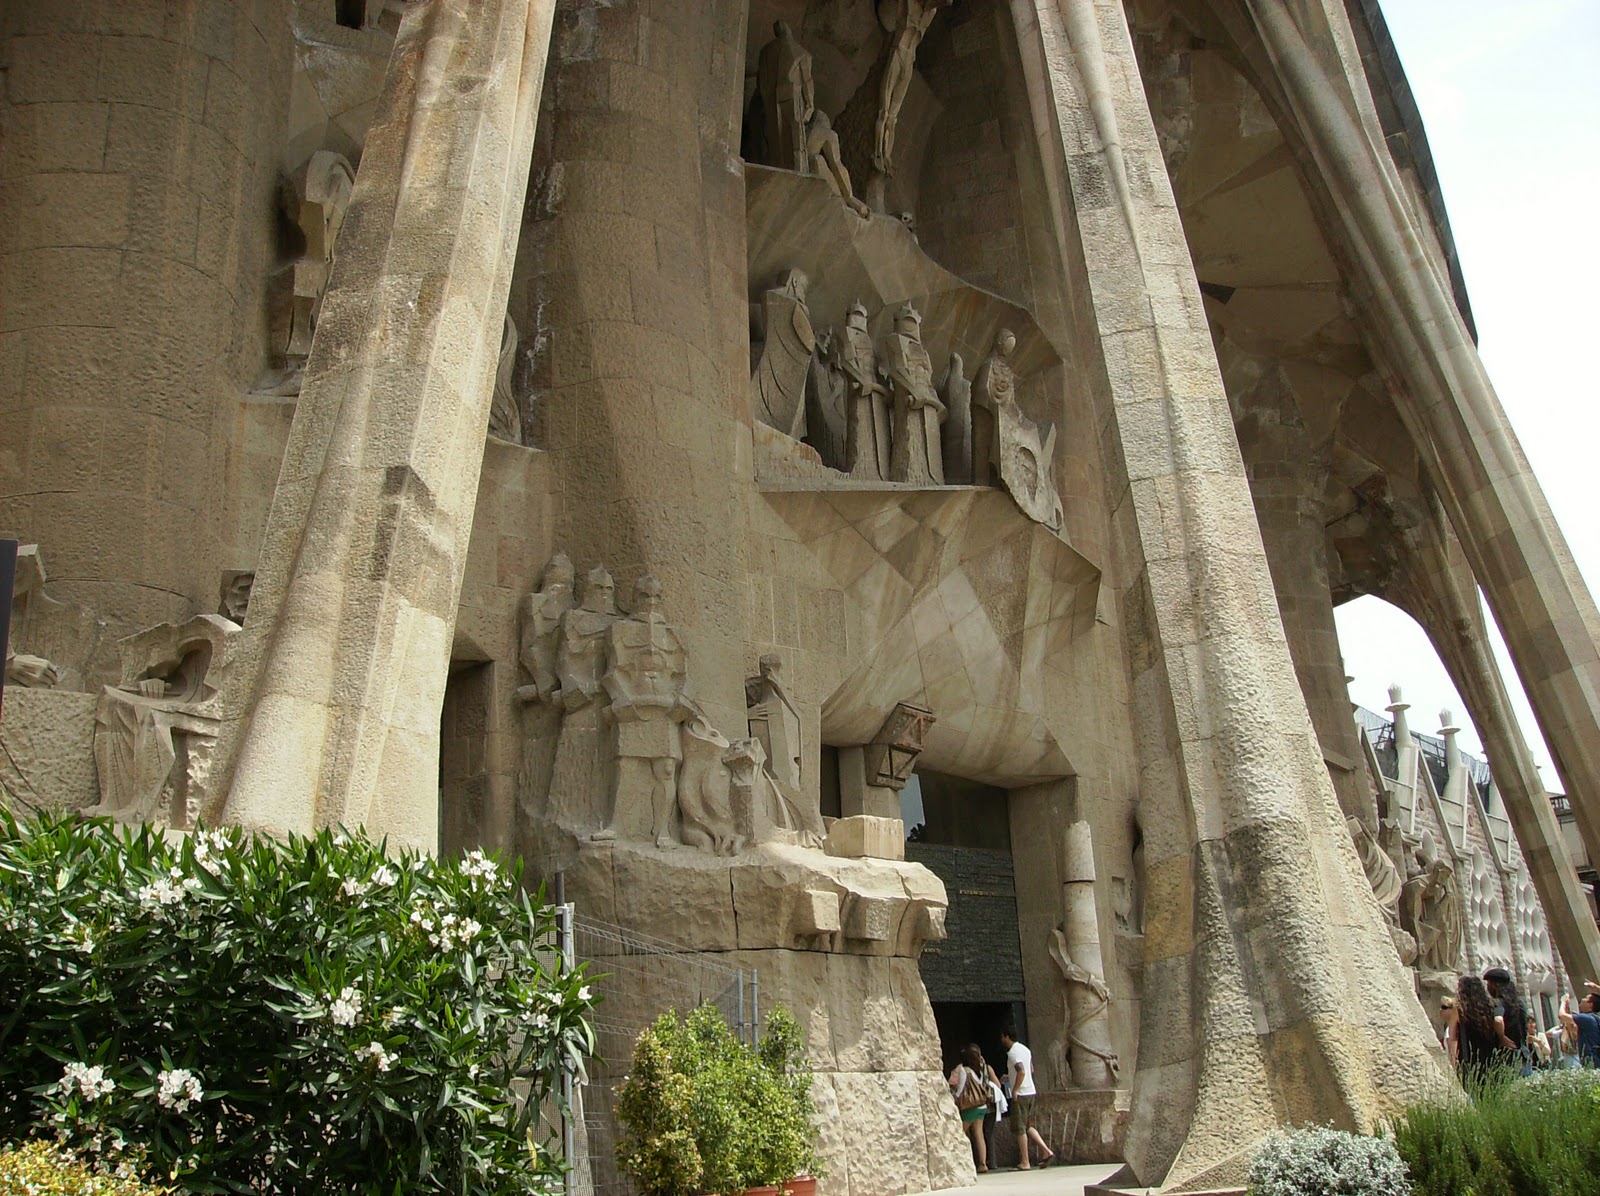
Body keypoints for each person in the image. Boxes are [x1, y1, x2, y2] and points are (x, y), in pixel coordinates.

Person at [999, 1026, 1056, 1169]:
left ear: (1007, 1036)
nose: (1001, 1040)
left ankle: (1025, 1161)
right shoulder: (1025, 1050)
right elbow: (1031, 1069)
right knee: (1027, 1125)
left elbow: (1022, 1071)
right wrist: (1009, 1077)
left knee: (1019, 1128)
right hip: (1031, 1090)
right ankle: (1046, 1151)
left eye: (1002, 1037)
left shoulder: (1012, 1053)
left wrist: (1015, 1089)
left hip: (1022, 1093)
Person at [1453, 975, 1500, 1089]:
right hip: (1490, 1058)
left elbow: (1453, 1037)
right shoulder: (1490, 1008)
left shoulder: (1461, 1011)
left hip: (1468, 1058)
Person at [1483, 967, 1531, 1076]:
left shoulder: (1499, 1003)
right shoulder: (1520, 1003)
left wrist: (1502, 1037)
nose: (1488, 988)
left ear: (1495, 986)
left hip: (1509, 1057)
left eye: (1489, 984)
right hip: (1523, 1054)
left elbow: (1498, 1020)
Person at [948, 1046, 988, 1172]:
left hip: (971, 1106)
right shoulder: (980, 1069)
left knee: (959, 1133)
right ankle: (983, 1164)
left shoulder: (965, 1070)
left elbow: (960, 1090)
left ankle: (961, 1161)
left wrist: (953, 1098)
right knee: (979, 1135)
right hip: (982, 1105)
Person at [1557, 989, 1600, 1067]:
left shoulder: (1586, 1018)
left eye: (1586, 998)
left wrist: (1563, 1002)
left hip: (1592, 1061)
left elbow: (1561, 1016)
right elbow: (1573, 1033)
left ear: (1591, 1005)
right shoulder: (1593, 1018)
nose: (1582, 999)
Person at [1438, 995, 1458, 1067]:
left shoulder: (1452, 1030)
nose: (1440, 1010)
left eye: (1444, 1008)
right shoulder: (1448, 1028)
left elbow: (1452, 1052)